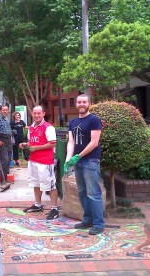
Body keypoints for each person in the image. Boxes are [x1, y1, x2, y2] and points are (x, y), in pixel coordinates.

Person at [64, 94, 105, 235]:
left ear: (89, 103)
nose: (81, 104)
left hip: (91, 161)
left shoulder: (94, 120)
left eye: (84, 102)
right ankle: (87, 220)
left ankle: (98, 224)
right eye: (79, 102)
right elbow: (71, 142)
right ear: (76, 104)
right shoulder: (73, 122)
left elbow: (94, 142)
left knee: (93, 193)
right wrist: (68, 160)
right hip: (78, 162)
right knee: (82, 192)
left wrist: (78, 156)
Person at [20, 105, 59, 220]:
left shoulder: (48, 127)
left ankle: (54, 209)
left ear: (43, 114)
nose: (36, 115)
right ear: (32, 114)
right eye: (35, 113)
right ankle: (37, 205)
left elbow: (53, 143)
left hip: (45, 161)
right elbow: (30, 142)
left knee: (50, 184)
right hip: (33, 160)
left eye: (39, 113)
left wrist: (36, 148)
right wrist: (25, 145)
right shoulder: (31, 127)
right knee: (35, 183)